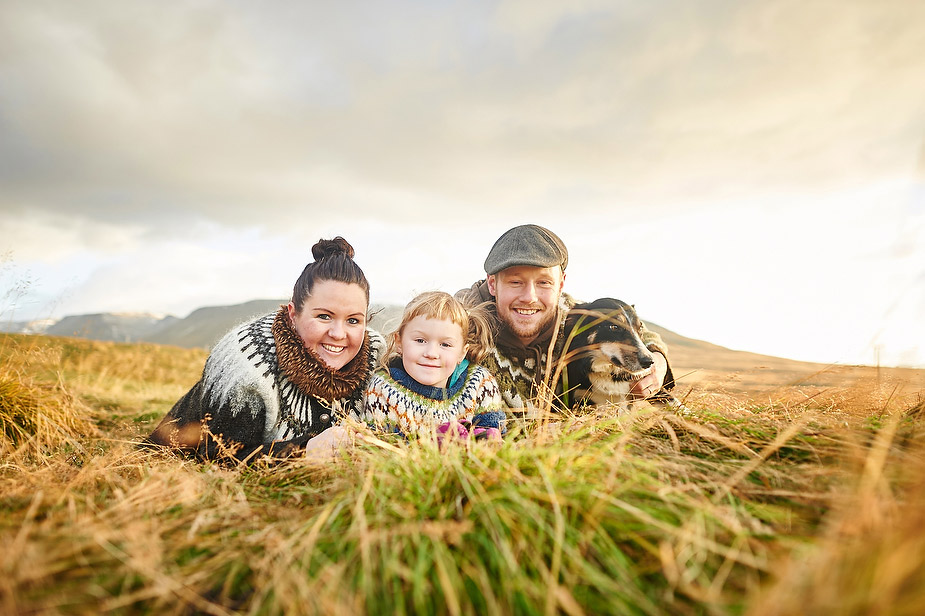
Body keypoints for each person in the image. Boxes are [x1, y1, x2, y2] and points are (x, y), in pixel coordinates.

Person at [147, 237, 385, 462]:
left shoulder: (375, 354)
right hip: (161, 476)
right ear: (293, 315)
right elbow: (219, 458)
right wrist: (304, 452)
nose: (338, 333)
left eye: (353, 320)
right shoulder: (247, 362)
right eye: (324, 316)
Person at [456, 224, 673, 413]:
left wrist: (658, 361)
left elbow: (633, 327)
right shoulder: (456, 328)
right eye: (515, 282)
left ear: (560, 285)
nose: (530, 298)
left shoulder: (574, 315)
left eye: (544, 283)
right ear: (492, 284)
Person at [355, 290, 505, 439]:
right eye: (420, 341)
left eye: (445, 344)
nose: (431, 353)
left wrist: (485, 438)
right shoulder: (383, 389)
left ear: (462, 352)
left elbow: (495, 430)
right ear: (399, 342)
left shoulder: (479, 383)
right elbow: (381, 444)